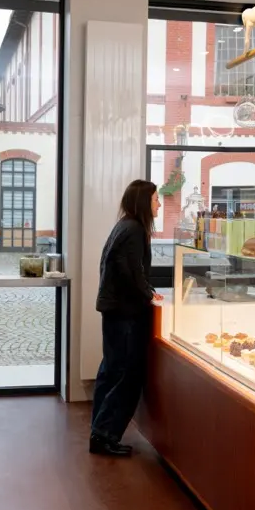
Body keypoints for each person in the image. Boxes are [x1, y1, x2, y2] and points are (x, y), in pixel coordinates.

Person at [90, 179, 161, 457]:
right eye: (155, 199)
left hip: (116, 311)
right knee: (125, 375)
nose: (159, 203)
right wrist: (148, 294)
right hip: (126, 314)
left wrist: (148, 290)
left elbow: (126, 268)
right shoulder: (134, 229)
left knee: (111, 371)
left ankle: (100, 430)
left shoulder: (125, 225)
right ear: (144, 201)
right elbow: (131, 271)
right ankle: (105, 435)